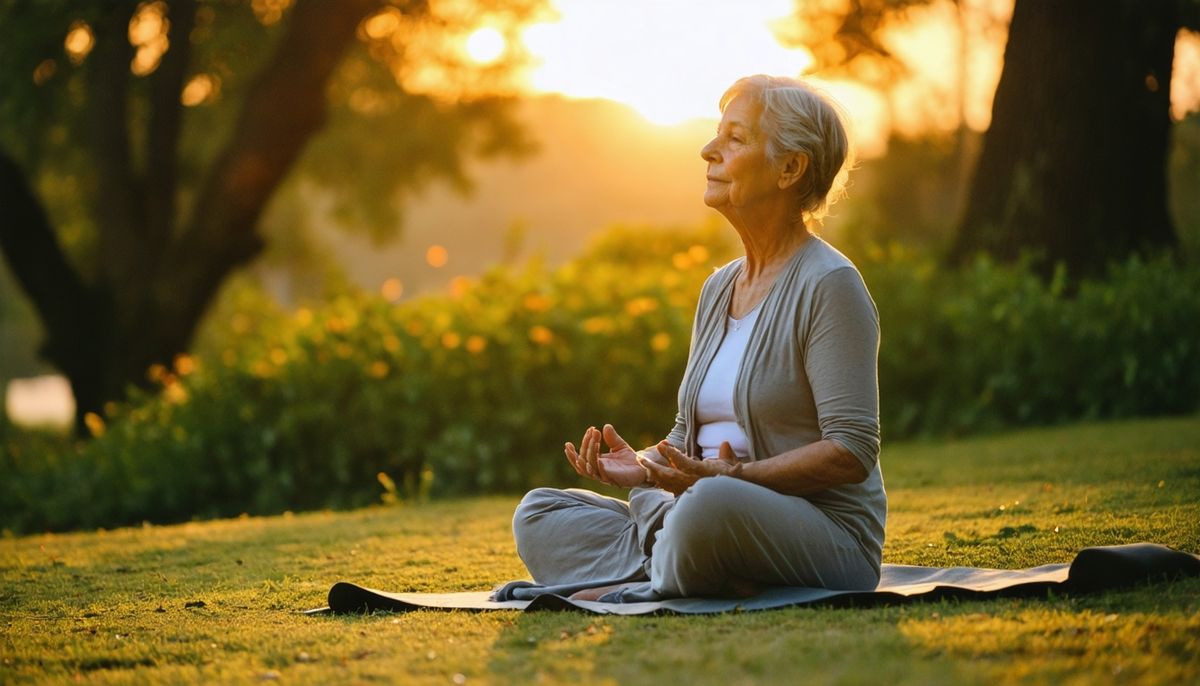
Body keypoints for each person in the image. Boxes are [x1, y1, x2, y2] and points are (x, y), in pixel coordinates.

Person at [509, 74, 885, 602]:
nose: (708, 150)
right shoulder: (719, 287)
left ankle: (658, 575)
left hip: (821, 533)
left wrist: (734, 476)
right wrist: (643, 468)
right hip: (700, 510)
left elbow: (851, 450)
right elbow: (688, 436)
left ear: (790, 168)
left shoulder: (829, 284)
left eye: (735, 139)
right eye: (717, 134)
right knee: (540, 511)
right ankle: (693, 570)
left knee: (709, 506)